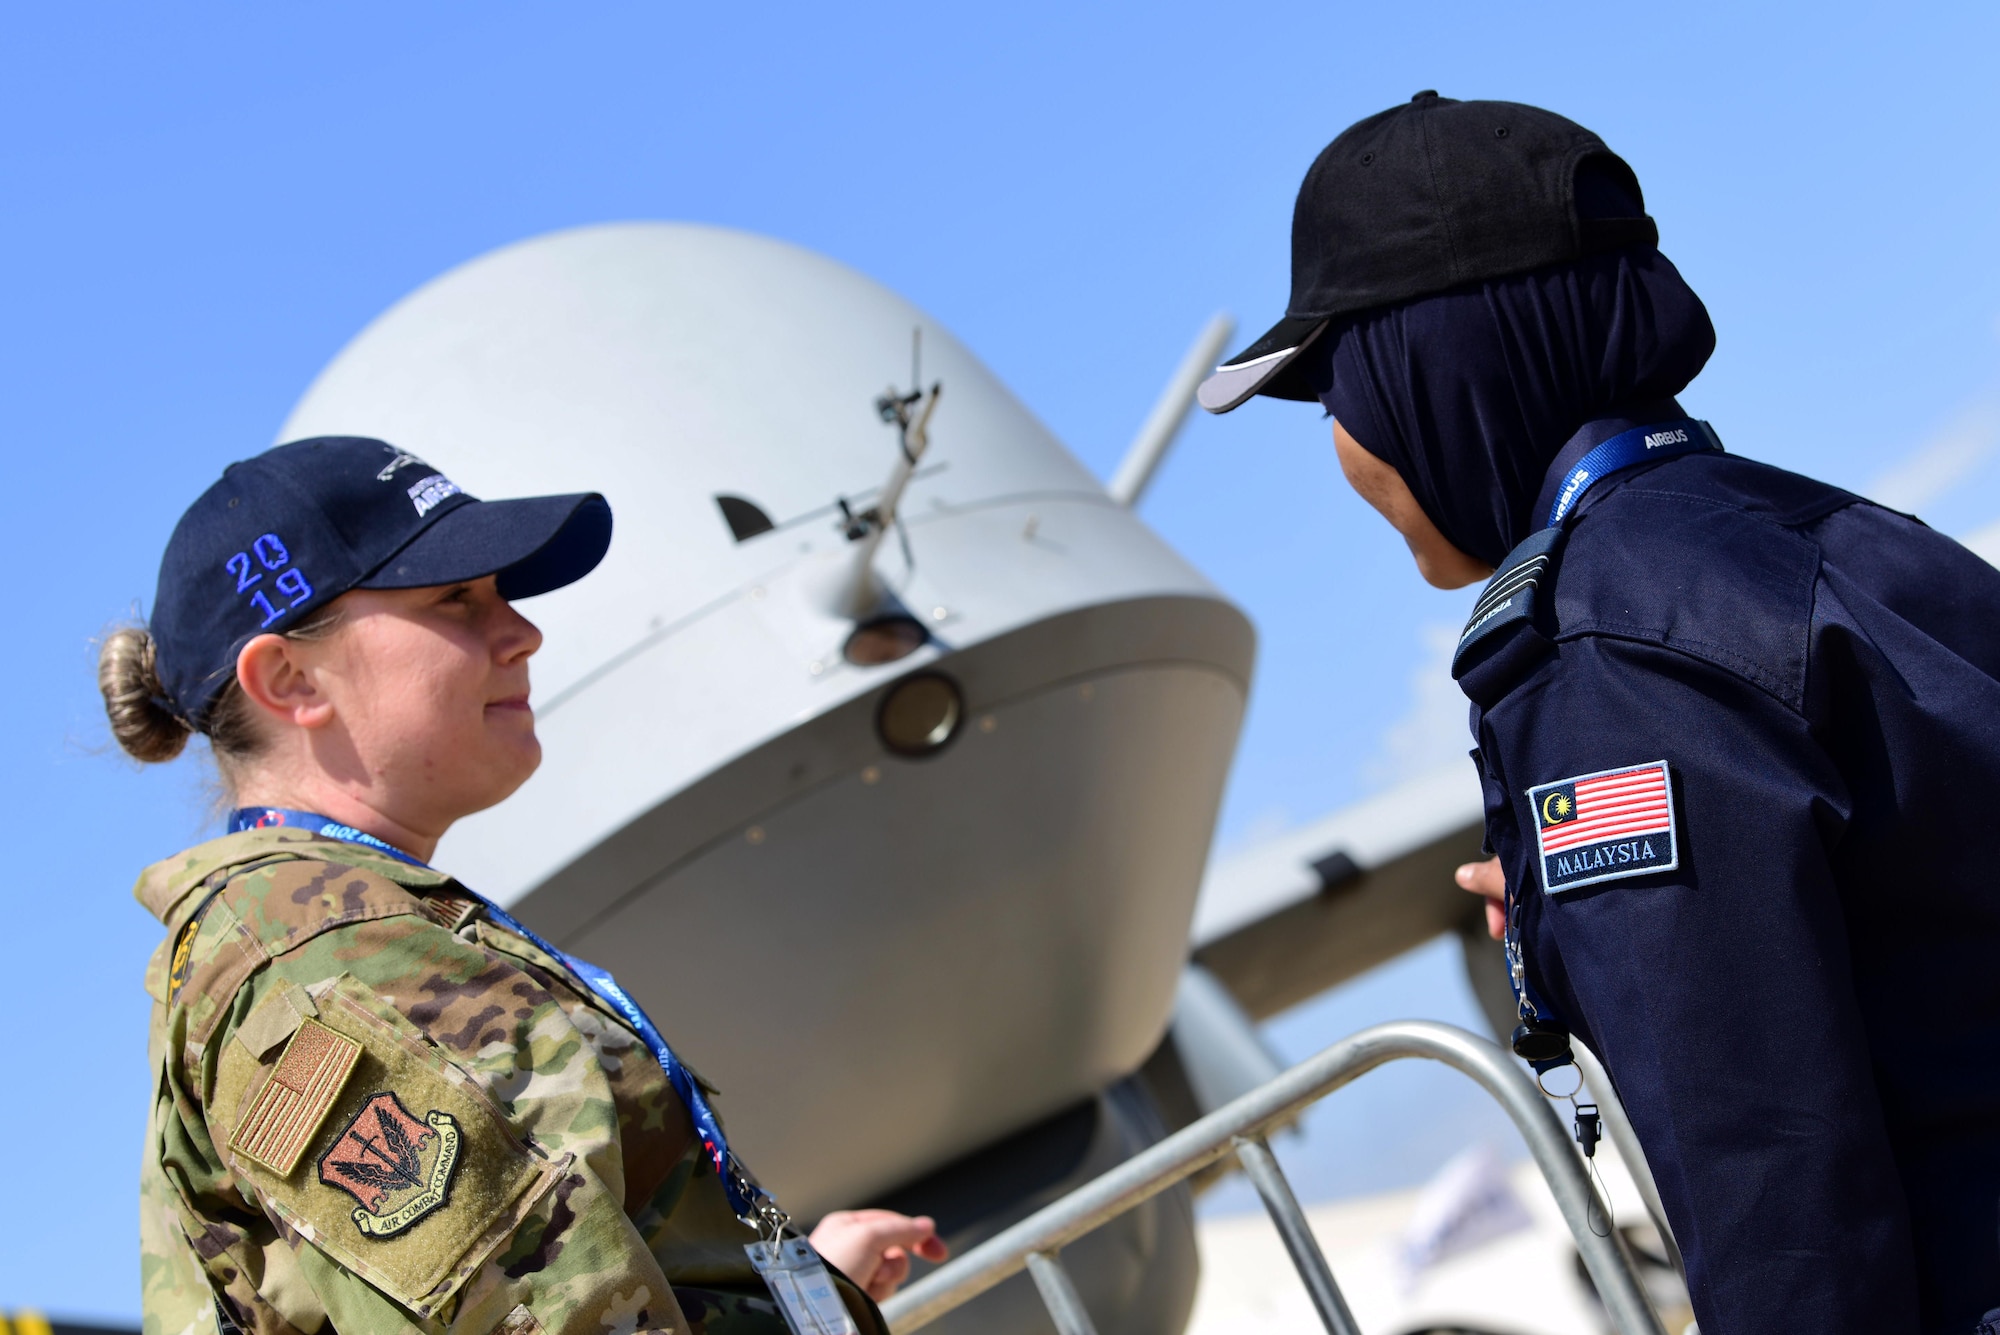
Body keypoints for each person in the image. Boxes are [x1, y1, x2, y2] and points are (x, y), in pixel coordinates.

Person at [1199, 92, 2000, 1334]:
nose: (1346, 450)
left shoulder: (1601, 660)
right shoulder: (1847, 538)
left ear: (1432, 371)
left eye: (1333, 390)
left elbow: (1763, 1162)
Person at [106, 436, 947, 1335]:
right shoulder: (330, 964)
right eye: (456, 599)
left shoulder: (340, 930)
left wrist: (799, 1295)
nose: (522, 631)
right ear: (290, 678)